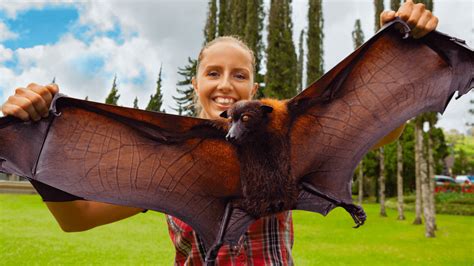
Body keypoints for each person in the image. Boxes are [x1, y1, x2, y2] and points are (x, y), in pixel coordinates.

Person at [1, 1, 438, 265]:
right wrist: (31, 140)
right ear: (196, 83)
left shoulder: (287, 140)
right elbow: (76, 220)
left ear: (254, 88)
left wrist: (403, 55)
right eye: (213, 72)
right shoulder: (169, 162)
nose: (226, 84)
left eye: (239, 75)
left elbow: (379, 131)